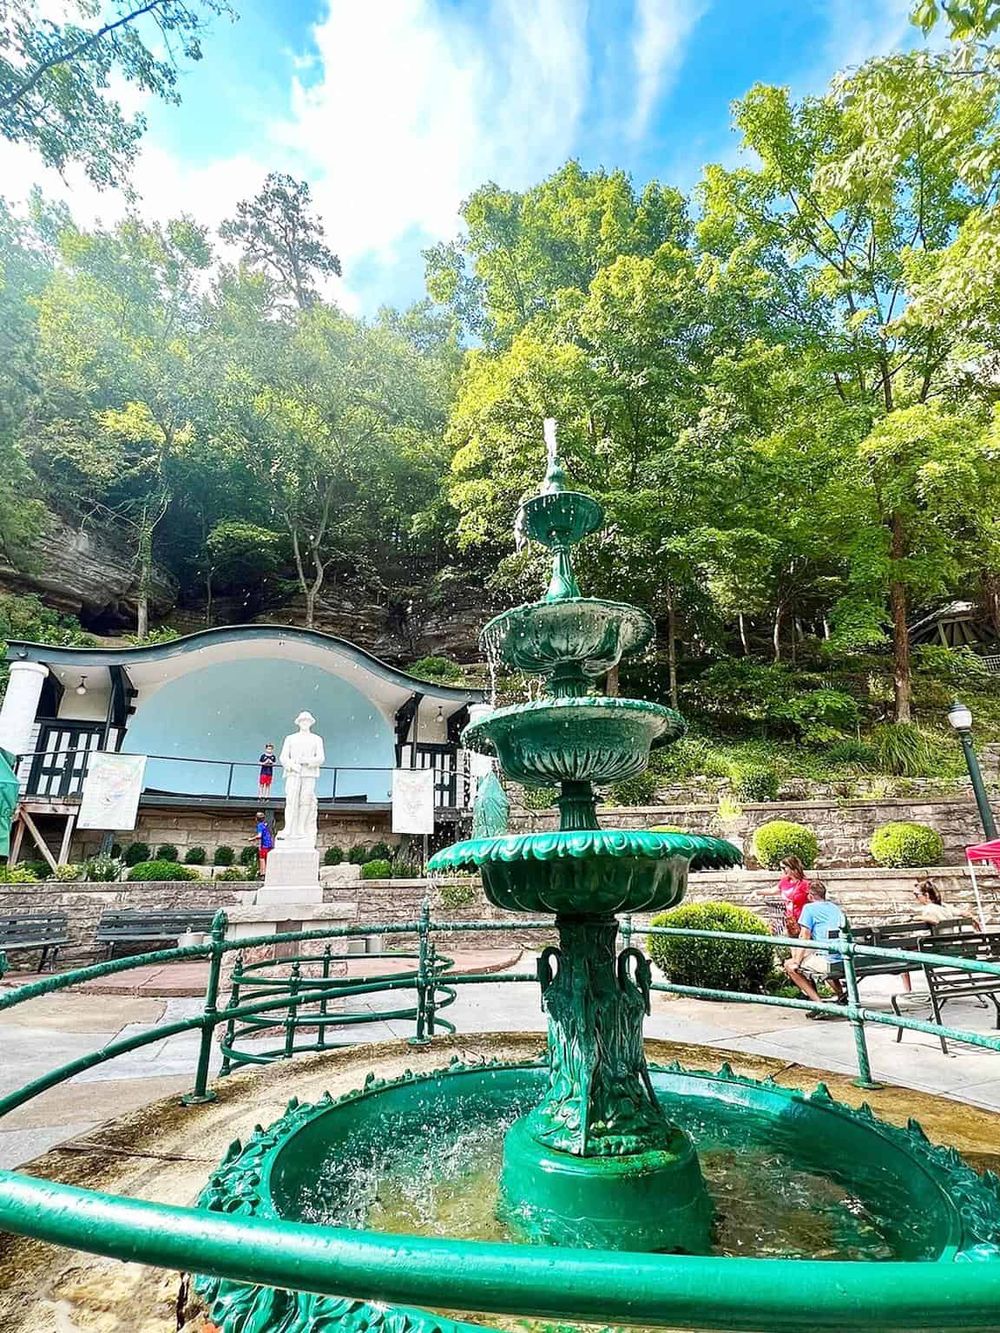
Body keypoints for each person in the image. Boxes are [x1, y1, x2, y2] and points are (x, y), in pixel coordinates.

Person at [783, 881, 846, 1016]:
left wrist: (796, 962)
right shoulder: (835, 908)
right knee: (817, 953)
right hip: (844, 957)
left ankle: (818, 1004)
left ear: (810, 896)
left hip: (828, 960)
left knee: (789, 965)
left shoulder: (809, 909)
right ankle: (841, 995)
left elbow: (805, 936)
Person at [899, 880, 957, 993]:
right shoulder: (943, 907)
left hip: (937, 950)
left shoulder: (929, 909)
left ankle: (907, 991)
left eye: (916, 895)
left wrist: (918, 918)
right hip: (949, 947)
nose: (915, 898)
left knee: (901, 952)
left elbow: (935, 921)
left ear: (926, 895)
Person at [777, 856, 811, 937]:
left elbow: (815, 896)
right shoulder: (784, 881)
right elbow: (775, 890)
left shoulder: (804, 884)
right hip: (791, 921)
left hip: (803, 921)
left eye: (784, 868)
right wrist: (757, 892)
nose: (782, 870)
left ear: (792, 867)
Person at [253, 810, 274, 875]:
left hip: (264, 845)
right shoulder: (265, 825)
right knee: (267, 859)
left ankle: (263, 873)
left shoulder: (260, 825)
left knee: (262, 859)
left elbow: (259, 835)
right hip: (269, 844)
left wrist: (251, 838)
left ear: (256, 819)